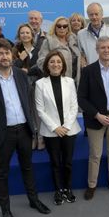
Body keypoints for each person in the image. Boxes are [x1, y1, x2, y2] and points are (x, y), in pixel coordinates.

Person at [0, 38, 51, 217]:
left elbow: (26, 100)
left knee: (27, 167)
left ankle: (33, 200)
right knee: (2, 172)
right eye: (0, 53)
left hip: (24, 130)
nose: (4, 56)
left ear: (12, 54)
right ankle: (6, 210)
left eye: (7, 52)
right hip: (3, 133)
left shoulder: (20, 74)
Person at [78, 36, 109, 200]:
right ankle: (91, 185)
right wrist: (97, 115)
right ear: (97, 50)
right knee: (95, 154)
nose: (106, 51)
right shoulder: (88, 71)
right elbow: (82, 98)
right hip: (96, 119)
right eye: (103, 48)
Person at [35, 51, 81, 205]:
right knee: (55, 162)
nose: (56, 65)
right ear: (47, 65)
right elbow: (40, 110)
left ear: (63, 65)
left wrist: (66, 126)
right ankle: (58, 190)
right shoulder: (40, 84)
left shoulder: (69, 81)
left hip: (69, 130)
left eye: (59, 62)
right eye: (52, 62)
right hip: (51, 131)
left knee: (67, 162)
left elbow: (74, 106)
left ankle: (68, 188)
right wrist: (55, 127)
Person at [12, 23, 45, 150]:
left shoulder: (39, 49)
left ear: (32, 35)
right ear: (19, 36)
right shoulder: (15, 50)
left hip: (38, 85)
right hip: (23, 86)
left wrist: (29, 71)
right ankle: (32, 136)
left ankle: (41, 138)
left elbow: (43, 68)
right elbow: (12, 68)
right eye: (22, 33)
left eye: (27, 33)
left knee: (38, 112)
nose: (25, 35)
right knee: (28, 112)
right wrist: (20, 59)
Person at [37, 16, 81, 84]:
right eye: (59, 26)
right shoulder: (48, 42)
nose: (62, 28)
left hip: (76, 82)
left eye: (65, 26)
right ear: (55, 27)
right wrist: (54, 73)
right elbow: (41, 62)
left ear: (68, 28)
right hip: (58, 82)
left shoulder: (74, 41)